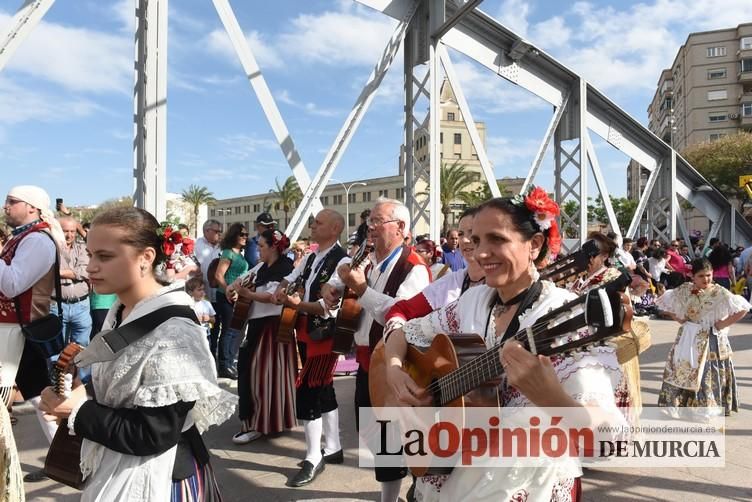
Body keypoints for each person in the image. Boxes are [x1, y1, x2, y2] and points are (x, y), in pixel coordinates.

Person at [384, 189, 622, 501]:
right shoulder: (474, 300)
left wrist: (552, 399)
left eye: (497, 239)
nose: (481, 252)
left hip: (524, 483)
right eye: (477, 240)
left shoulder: (560, 315)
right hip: (453, 468)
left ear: (534, 245)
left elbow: (607, 433)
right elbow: (404, 330)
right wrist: (394, 367)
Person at [39, 206, 236, 501]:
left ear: (146, 258)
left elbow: (154, 434)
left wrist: (78, 410)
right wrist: (79, 394)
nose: (90, 267)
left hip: (158, 479)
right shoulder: (121, 311)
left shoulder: (175, 332)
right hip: (120, 465)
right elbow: (128, 387)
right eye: (90, 255)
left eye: (104, 256)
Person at [323, 198, 431, 502]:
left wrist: (362, 290)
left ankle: (406, 493)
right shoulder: (366, 259)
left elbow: (402, 314)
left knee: (395, 436)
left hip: (396, 366)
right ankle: (393, 493)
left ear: (400, 228)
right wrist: (330, 289)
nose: (369, 227)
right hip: (366, 362)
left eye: (377, 221)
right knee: (373, 433)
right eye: (369, 220)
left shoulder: (415, 268)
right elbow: (335, 283)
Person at [273, 209, 350, 488]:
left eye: (318, 223)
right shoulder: (312, 256)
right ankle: (334, 446)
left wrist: (294, 305)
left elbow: (325, 307)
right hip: (307, 331)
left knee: (308, 391)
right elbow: (293, 275)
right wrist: (283, 288)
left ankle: (313, 456)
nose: (312, 226)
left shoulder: (344, 261)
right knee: (324, 388)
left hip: (324, 335)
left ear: (335, 228)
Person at [0, 186, 64, 482]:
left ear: (32, 207)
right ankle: (62, 460)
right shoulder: (23, 237)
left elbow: (12, 285)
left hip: (20, 331)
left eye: (12, 202)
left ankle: (66, 460)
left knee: (42, 399)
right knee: (41, 398)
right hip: (11, 330)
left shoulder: (37, 240)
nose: (5, 206)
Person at [657, 257, 750, 418]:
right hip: (687, 336)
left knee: (706, 371)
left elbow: (742, 308)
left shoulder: (719, 292)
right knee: (681, 368)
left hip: (710, 338)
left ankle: (705, 407)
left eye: (708, 275)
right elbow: (665, 300)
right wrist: (679, 317)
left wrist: (723, 324)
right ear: (692, 276)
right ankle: (678, 405)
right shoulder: (684, 289)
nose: (706, 279)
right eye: (701, 276)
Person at [229, 230, 296, 444]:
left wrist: (249, 295)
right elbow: (240, 280)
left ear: (274, 247)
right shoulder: (260, 267)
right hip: (257, 325)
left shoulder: (286, 269)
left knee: (263, 376)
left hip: (273, 327)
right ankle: (259, 421)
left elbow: (274, 297)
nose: (258, 249)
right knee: (252, 373)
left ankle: (261, 424)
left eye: (261, 246)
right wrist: (232, 288)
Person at [214, 223, 250, 379]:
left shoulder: (240, 254)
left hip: (238, 296)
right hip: (226, 295)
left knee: (234, 331)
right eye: (241, 234)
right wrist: (229, 290)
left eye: (246, 235)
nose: (245, 237)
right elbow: (218, 275)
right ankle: (224, 365)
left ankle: (229, 362)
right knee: (228, 331)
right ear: (234, 235)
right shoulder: (228, 253)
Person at [50, 216, 92, 348]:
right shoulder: (50, 249)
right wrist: (75, 273)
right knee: (56, 349)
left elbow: (84, 271)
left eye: (72, 231)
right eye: (65, 231)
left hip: (81, 306)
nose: (69, 235)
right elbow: (48, 271)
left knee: (82, 348)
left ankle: (79, 369)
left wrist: (59, 272)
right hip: (57, 305)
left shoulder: (83, 248)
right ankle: (58, 370)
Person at [194, 219, 223, 358]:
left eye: (220, 231)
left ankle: (213, 352)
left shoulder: (222, 247)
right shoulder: (196, 245)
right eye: (216, 231)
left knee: (216, 324)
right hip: (202, 294)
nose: (219, 234)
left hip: (218, 293)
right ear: (206, 231)